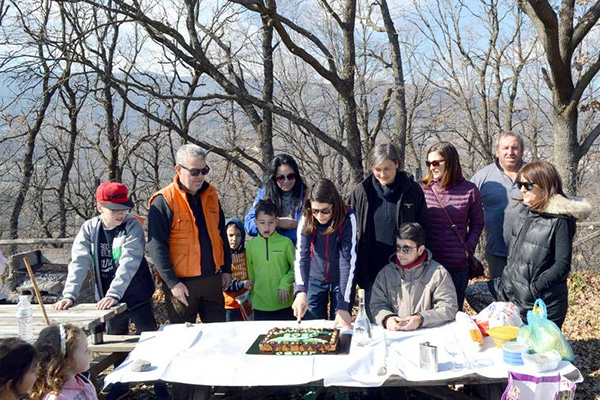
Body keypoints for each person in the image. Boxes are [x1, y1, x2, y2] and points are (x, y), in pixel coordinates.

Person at [51, 181, 166, 400]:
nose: (121, 213)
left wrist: (115, 293)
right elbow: (79, 262)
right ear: (100, 207)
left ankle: (159, 383)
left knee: (150, 339)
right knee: (116, 342)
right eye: (114, 209)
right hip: (108, 298)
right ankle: (121, 384)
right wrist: (69, 295)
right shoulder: (89, 228)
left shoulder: (132, 226)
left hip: (136, 294)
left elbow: (129, 261)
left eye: (124, 208)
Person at [465, 161, 591, 328]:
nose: (522, 189)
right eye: (520, 184)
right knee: (472, 292)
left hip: (540, 300)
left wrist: (534, 288)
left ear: (545, 185)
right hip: (509, 289)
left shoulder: (560, 220)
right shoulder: (525, 211)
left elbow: (561, 266)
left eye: (528, 185)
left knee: (528, 343)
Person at [148, 144, 232, 324]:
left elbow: (221, 234)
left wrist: (226, 269)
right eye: (194, 172)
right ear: (178, 169)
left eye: (204, 170)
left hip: (212, 281)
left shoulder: (211, 194)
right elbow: (156, 247)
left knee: (217, 336)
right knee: (183, 337)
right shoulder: (163, 201)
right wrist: (172, 283)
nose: (200, 176)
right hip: (182, 285)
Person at [349, 143, 432, 319]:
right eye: (377, 169)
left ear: (397, 164)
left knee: (403, 321)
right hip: (371, 269)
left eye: (387, 169)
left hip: (405, 269)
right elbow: (350, 228)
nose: (382, 174)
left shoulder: (412, 190)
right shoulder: (362, 192)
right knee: (376, 320)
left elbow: (424, 227)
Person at [421, 142, 484, 310]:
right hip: (428, 264)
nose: (432, 167)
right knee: (428, 312)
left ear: (449, 161)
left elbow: (477, 223)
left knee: (453, 312)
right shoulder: (423, 189)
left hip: (457, 265)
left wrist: (468, 249)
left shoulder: (469, 190)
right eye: (429, 163)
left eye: (436, 163)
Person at [292, 178, 357, 329]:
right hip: (314, 278)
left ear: (334, 205)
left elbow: (347, 260)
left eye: (325, 211)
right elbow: (301, 255)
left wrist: (343, 304)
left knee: (340, 325)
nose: (320, 216)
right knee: (312, 327)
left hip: (340, 279)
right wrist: (301, 290)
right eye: (315, 211)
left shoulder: (348, 217)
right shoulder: (306, 217)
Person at [370, 223, 458, 331]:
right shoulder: (385, 274)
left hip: (428, 334)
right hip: (394, 335)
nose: (400, 253)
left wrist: (421, 319)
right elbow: (377, 305)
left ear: (420, 250)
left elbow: (448, 307)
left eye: (406, 249)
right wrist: (387, 318)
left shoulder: (438, 273)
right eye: (398, 248)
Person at [471, 132, 525, 278]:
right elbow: (467, 211)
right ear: (497, 151)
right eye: (505, 148)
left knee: (529, 292)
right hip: (496, 253)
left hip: (530, 252)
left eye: (515, 148)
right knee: (500, 292)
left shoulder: (534, 174)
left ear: (521, 150)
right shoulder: (483, 178)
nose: (510, 152)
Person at [246, 199, 295, 320]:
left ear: (277, 222)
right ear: (255, 223)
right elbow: (250, 275)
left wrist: (285, 283)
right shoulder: (251, 246)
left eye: (271, 222)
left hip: (284, 303)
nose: (266, 227)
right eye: (262, 222)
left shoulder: (286, 243)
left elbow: (296, 269)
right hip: (260, 305)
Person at [245, 154, 307, 244]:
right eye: (281, 178)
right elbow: (249, 226)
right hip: (271, 248)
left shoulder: (306, 196)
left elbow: (314, 227)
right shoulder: (264, 195)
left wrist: (297, 225)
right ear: (274, 178)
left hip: (298, 248)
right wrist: (276, 222)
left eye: (290, 176)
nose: (286, 181)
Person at [32, 324, 96, 400]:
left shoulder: (83, 381)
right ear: (68, 361)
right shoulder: (58, 397)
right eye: (85, 350)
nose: (90, 351)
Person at [223, 218, 254, 321]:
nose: (234, 239)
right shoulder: (221, 257)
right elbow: (223, 283)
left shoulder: (247, 254)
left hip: (247, 304)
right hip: (229, 305)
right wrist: (241, 284)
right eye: (231, 235)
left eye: (238, 235)